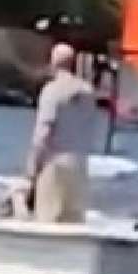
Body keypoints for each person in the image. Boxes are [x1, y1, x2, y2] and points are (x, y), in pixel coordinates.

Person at [25, 42, 101, 223]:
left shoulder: (52, 91)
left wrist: (32, 165)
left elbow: (44, 130)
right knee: (74, 220)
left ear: (53, 63)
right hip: (80, 164)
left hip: (55, 163)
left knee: (49, 218)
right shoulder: (88, 92)